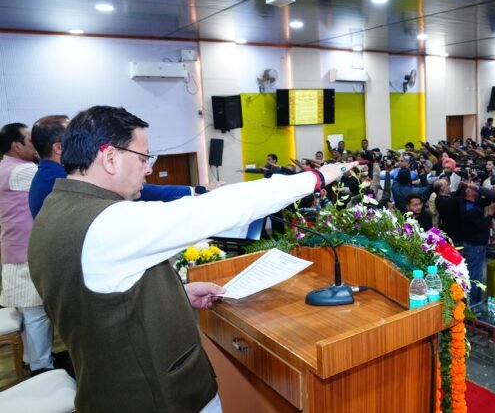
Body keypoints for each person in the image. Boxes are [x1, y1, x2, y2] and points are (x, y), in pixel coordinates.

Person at [27, 106, 356, 412]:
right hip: (158, 398)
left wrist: (176, 295)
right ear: (110, 157)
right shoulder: (108, 222)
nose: (149, 168)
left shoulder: (55, 209)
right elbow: (221, 206)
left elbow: (101, 297)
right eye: (144, 157)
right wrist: (316, 178)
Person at [28, 115, 216, 218]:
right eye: (141, 159)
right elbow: (145, 192)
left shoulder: (45, 176)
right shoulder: (60, 180)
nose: (148, 169)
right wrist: (194, 192)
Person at [0, 122, 55, 375]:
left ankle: (31, 360)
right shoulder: (23, 171)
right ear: (16, 146)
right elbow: (59, 182)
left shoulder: (4, 167)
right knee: (37, 314)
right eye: (30, 141)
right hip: (25, 254)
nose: (35, 146)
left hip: (14, 251)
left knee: (29, 313)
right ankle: (42, 367)